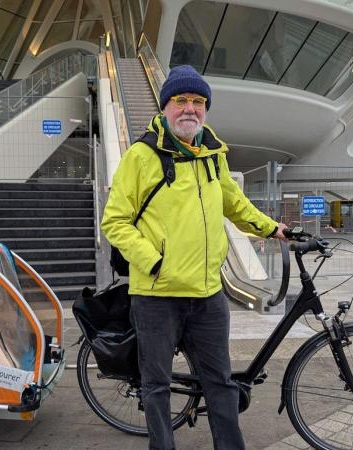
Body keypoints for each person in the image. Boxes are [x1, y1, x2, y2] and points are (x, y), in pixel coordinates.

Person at [101, 65, 287, 450]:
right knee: (156, 386)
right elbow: (115, 221)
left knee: (219, 382)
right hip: (156, 296)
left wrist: (272, 228)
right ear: (166, 106)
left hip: (207, 294)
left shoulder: (212, 155)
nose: (190, 109)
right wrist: (153, 262)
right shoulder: (141, 155)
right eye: (181, 100)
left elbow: (235, 204)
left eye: (198, 102)